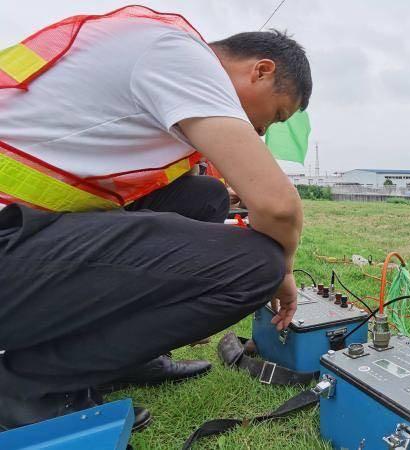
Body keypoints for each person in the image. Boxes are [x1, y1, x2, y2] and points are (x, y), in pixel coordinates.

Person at [0, 6, 310, 430]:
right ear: (260, 71)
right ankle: (25, 385)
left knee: (204, 197)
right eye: (274, 116)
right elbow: (279, 206)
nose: (260, 132)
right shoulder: (178, 55)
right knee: (259, 265)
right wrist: (284, 274)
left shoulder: (151, 54)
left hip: (19, 238)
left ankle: (121, 358)